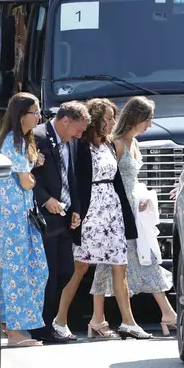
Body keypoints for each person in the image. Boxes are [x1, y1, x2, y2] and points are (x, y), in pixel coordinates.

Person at [52, 98, 144, 339]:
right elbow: (75, 181)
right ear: (95, 120)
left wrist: (126, 217)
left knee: (120, 266)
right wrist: (77, 213)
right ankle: (59, 320)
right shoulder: (81, 146)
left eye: (113, 117)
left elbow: (117, 183)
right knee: (80, 268)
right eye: (108, 118)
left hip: (112, 212)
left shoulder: (110, 145)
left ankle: (129, 322)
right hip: (90, 213)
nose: (113, 122)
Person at [94, 96, 177, 336]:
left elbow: (134, 181)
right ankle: (166, 313)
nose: (150, 125)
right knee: (118, 260)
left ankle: (98, 319)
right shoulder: (117, 143)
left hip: (135, 209)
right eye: (148, 120)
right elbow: (109, 179)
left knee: (136, 258)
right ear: (137, 119)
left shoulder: (133, 143)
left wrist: (142, 200)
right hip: (119, 211)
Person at [0, 92, 48, 347]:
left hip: (14, 210)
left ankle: (12, 325)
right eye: (35, 112)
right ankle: (14, 331)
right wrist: (31, 175)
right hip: (11, 211)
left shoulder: (17, 141)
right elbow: (26, 181)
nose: (39, 116)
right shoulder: (16, 142)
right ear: (22, 115)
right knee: (17, 269)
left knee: (25, 266)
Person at [29, 101, 89, 343]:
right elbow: (25, 174)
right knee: (49, 274)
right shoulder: (38, 136)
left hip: (65, 215)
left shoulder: (71, 142)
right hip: (44, 216)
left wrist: (76, 209)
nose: (80, 134)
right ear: (65, 120)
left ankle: (48, 323)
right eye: (78, 129)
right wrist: (45, 200)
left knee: (65, 271)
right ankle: (41, 326)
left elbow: (71, 177)